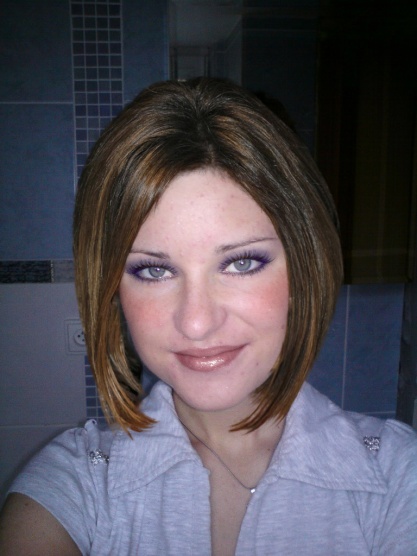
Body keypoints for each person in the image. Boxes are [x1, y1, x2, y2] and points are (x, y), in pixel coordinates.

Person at [0, 77, 416, 556]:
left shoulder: (397, 478)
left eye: (241, 263)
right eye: (154, 270)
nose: (196, 323)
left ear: (304, 268)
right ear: (113, 288)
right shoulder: (76, 486)